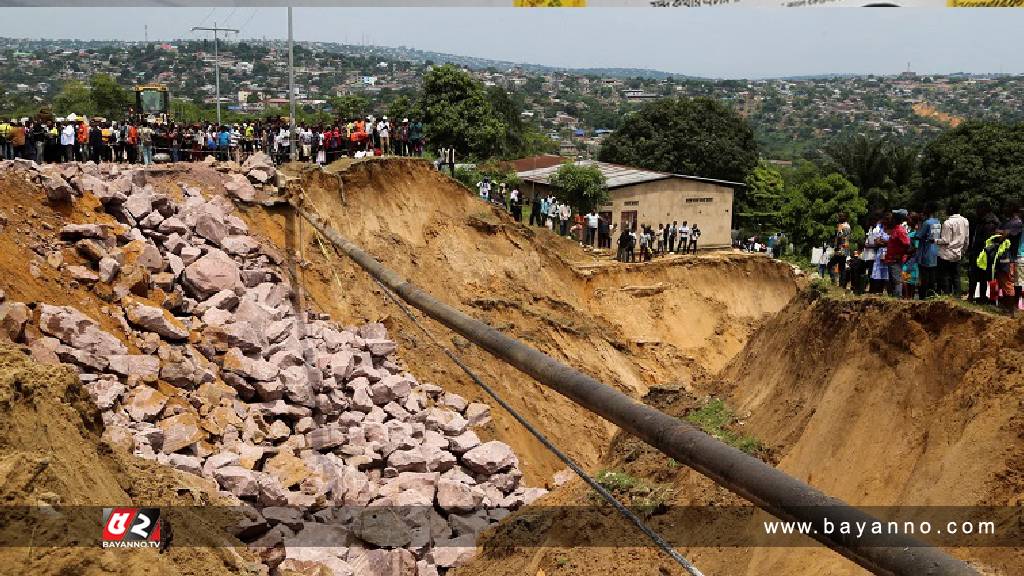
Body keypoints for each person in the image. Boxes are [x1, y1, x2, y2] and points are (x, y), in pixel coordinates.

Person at [936, 209, 969, 296]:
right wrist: (963, 250)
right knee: (956, 277)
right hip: (958, 253)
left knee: (946, 276)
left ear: (950, 208)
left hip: (947, 253)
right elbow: (966, 239)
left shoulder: (948, 223)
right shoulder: (965, 221)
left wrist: (935, 241)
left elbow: (945, 240)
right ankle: (958, 296)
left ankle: (947, 297)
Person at [884, 210, 912, 298]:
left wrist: (901, 254)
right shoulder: (895, 229)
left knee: (897, 281)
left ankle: (897, 299)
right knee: (892, 281)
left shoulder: (900, 230)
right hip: (891, 259)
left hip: (896, 260)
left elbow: (907, 244)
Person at [917, 206, 941, 299]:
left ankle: (922, 298)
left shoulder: (926, 223)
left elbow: (919, 235)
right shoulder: (938, 222)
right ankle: (931, 296)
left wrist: (919, 224)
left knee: (924, 278)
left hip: (926, 253)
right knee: (932, 277)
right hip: (935, 251)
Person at [829, 213, 851, 286]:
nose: (837, 219)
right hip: (845, 249)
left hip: (840, 249)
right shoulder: (848, 225)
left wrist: (839, 230)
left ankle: (833, 281)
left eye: (838, 218)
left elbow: (840, 236)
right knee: (842, 267)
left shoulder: (842, 226)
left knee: (830, 264)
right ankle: (842, 284)